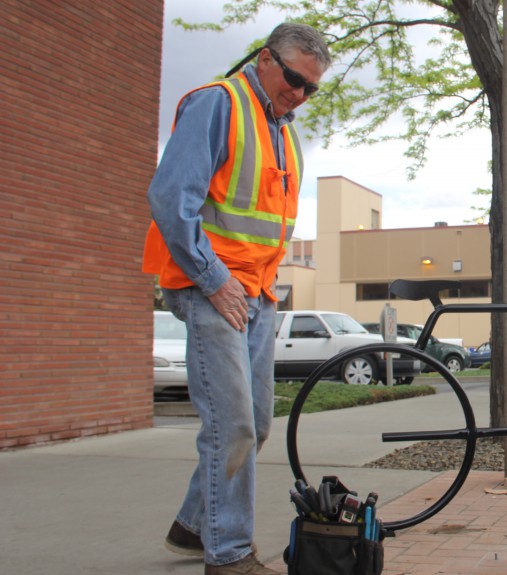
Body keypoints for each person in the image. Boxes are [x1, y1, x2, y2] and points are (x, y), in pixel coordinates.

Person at [143, 23, 331, 575]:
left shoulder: (281, 129)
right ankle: (228, 555)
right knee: (234, 426)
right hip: (211, 290)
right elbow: (170, 197)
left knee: (256, 424)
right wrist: (213, 278)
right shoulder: (217, 104)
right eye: (294, 79)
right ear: (266, 60)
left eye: (310, 88)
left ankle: (193, 525)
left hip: (256, 294)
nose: (299, 94)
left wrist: (259, 291)